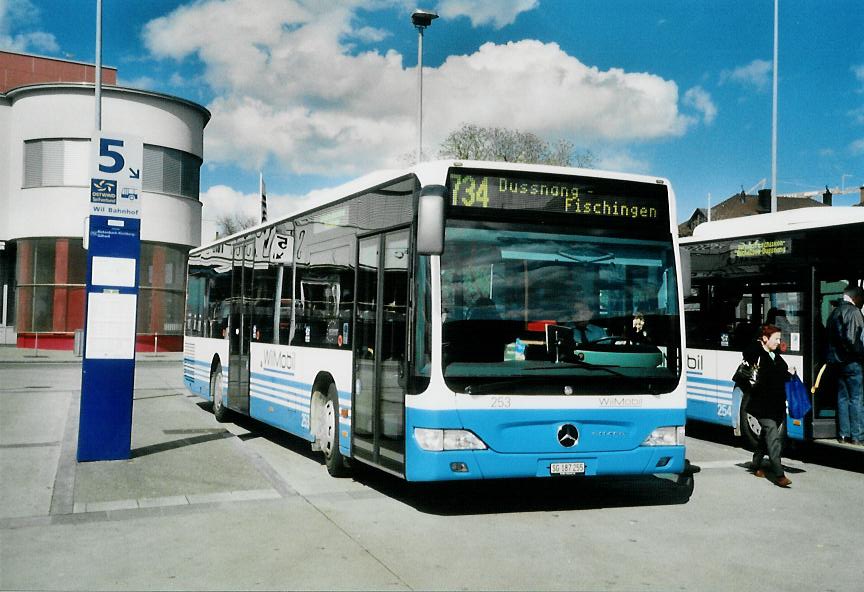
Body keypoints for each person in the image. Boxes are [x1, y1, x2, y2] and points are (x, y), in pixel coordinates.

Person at [744, 324, 793, 488]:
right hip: (762, 405)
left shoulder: (774, 355)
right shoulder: (757, 353)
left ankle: (756, 463)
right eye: (776, 338)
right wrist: (759, 344)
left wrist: (790, 373)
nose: (779, 342)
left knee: (766, 435)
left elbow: (780, 375)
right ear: (765, 339)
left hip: (777, 405)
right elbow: (749, 355)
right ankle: (779, 474)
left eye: (779, 338)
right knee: (773, 436)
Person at [825, 285, 864, 445]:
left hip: (837, 362)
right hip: (852, 362)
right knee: (856, 398)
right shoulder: (854, 312)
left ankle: (843, 435)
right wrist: (860, 354)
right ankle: (857, 436)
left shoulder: (833, 312)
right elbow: (852, 339)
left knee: (842, 397)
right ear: (856, 298)